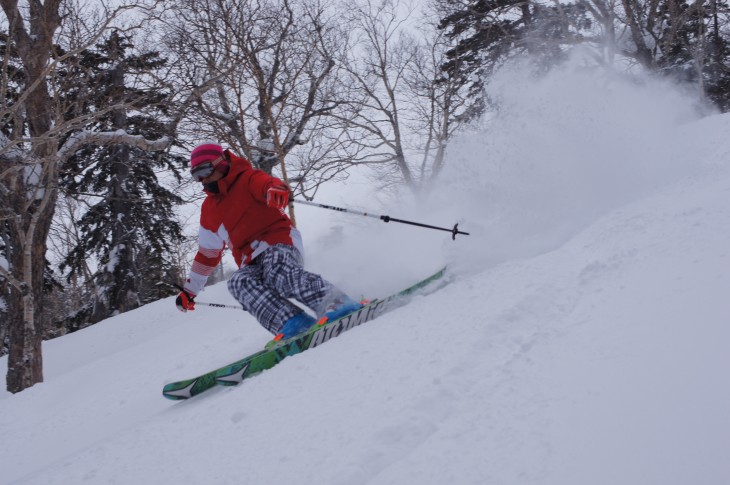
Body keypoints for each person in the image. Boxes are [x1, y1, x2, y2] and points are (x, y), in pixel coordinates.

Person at [175, 143, 362, 343]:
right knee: (239, 282)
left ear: (220, 164)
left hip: (278, 241)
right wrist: (189, 290)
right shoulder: (209, 210)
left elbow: (267, 183)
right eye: (196, 176)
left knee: (278, 271)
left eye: (204, 171)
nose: (202, 180)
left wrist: (277, 189)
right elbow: (207, 254)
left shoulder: (247, 178)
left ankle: (336, 301)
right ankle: (292, 322)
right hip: (250, 260)